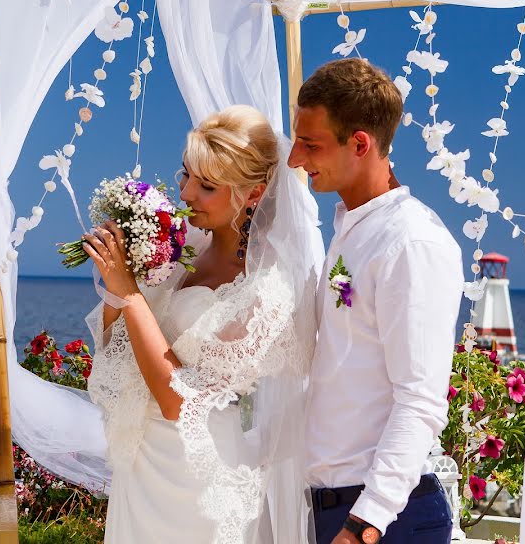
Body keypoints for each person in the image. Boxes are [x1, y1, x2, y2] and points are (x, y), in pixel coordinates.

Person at [83, 105, 324, 544]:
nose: (187, 193)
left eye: (207, 185)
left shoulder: (268, 290)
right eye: (185, 175)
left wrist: (131, 294)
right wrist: (118, 280)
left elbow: (182, 401)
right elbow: (115, 342)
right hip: (142, 459)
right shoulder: (183, 245)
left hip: (201, 474)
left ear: (253, 193)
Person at [288, 59, 463, 544]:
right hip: (332, 509)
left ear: (360, 144)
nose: (295, 160)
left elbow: (421, 400)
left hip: (382, 522)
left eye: (311, 144)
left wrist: (364, 524)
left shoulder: (411, 243)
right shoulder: (351, 227)